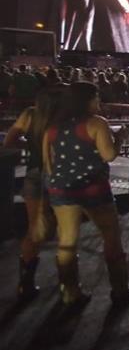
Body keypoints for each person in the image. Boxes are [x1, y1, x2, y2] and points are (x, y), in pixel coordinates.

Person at [42, 81, 129, 307]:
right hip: (93, 189)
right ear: (86, 100)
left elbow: (48, 164)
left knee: (67, 241)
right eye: (96, 98)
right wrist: (120, 138)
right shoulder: (96, 123)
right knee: (111, 237)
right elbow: (109, 155)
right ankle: (120, 289)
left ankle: (70, 292)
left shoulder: (53, 127)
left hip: (62, 188)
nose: (99, 102)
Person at [3, 85, 61, 302]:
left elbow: (9, 140)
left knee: (34, 227)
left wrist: (30, 147)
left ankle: (25, 283)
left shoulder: (29, 114)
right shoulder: (64, 117)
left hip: (35, 172)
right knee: (66, 225)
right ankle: (67, 279)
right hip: (60, 176)